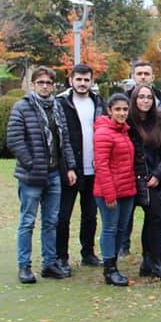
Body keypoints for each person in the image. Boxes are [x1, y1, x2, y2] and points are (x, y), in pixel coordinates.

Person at [8, 67, 78, 284]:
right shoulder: (22, 107)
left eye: (49, 82)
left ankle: (49, 263)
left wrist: (70, 167)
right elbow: (14, 140)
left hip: (55, 174)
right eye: (41, 83)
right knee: (27, 221)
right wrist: (31, 163)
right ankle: (24, 266)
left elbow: (64, 141)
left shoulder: (57, 107)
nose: (45, 86)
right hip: (31, 176)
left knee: (51, 221)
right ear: (32, 85)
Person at [56, 63, 104, 271]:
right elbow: (60, 138)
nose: (83, 83)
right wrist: (68, 167)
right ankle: (61, 256)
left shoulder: (98, 102)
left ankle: (88, 253)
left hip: (94, 169)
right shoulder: (61, 103)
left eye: (87, 80)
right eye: (79, 79)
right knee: (63, 215)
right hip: (71, 169)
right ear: (71, 80)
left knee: (90, 214)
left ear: (92, 81)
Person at [129, 84, 161, 282]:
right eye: (141, 97)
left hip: (156, 179)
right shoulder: (128, 122)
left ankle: (152, 262)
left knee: (156, 218)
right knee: (152, 218)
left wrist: (157, 174)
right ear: (134, 99)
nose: (145, 100)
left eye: (149, 97)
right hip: (134, 178)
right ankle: (152, 262)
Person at [93, 93, 137, 287]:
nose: (122, 113)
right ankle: (109, 269)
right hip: (109, 192)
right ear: (109, 110)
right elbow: (101, 166)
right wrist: (110, 194)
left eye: (125, 109)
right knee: (110, 228)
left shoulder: (123, 131)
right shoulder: (103, 133)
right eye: (117, 109)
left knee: (121, 228)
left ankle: (114, 264)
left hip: (126, 190)